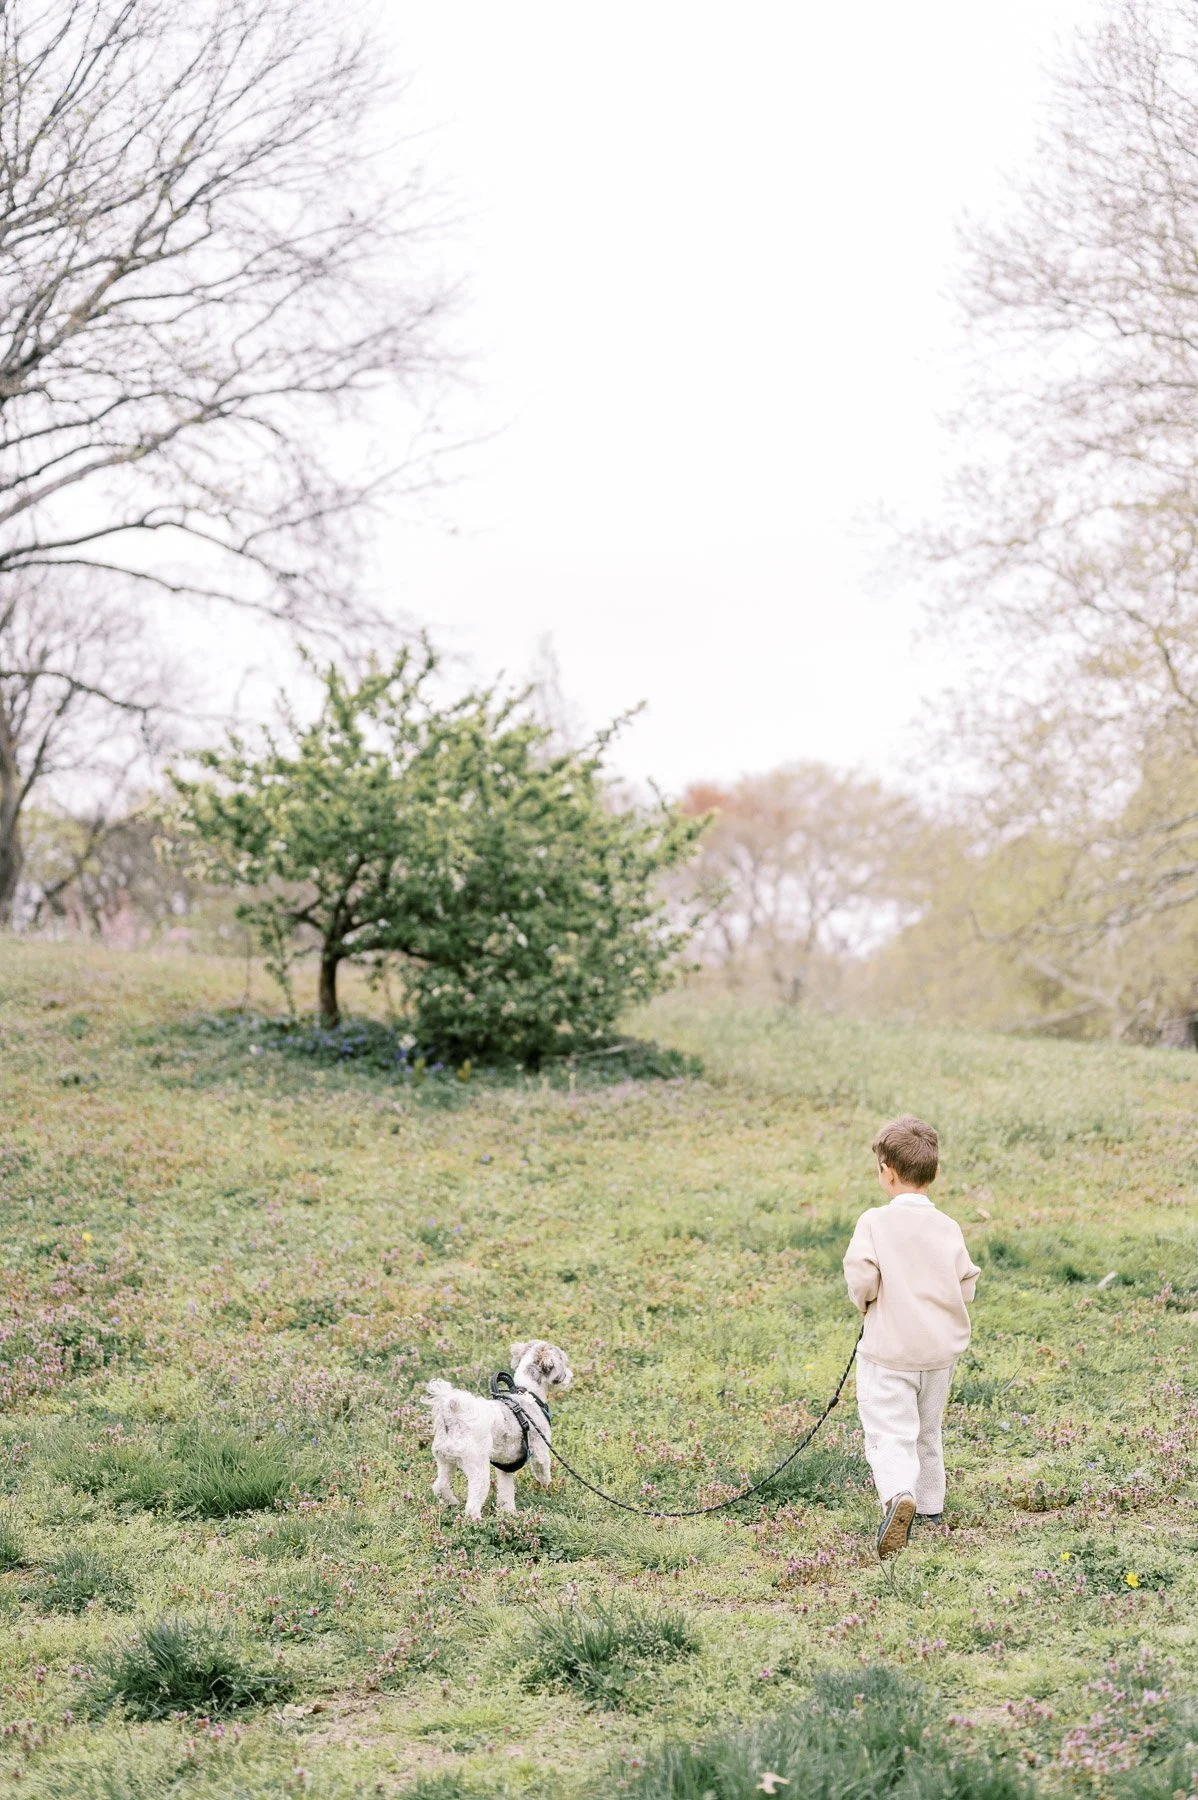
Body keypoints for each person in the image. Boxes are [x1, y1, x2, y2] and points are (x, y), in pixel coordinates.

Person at [842, 1114, 980, 1559]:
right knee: (927, 1429)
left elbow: (862, 1279)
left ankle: (899, 1495)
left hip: (890, 1353)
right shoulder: (948, 1226)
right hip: (938, 1354)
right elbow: (966, 1284)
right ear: (934, 1172)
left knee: (889, 1431)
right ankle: (931, 1508)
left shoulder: (874, 1222)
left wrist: (866, 1302)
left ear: (886, 1173)